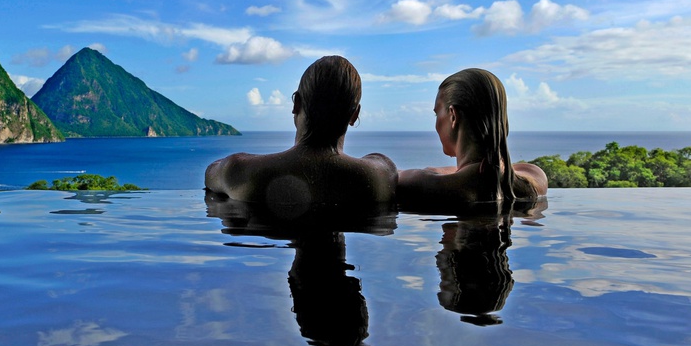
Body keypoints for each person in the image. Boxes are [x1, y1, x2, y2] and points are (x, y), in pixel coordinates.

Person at [205, 56, 396, 205]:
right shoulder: (379, 176)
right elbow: (382, 164)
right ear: (354, 115)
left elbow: (212, 173)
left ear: (297, 104)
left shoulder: (238, 171)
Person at [398, 68, 547, 206]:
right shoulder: (534, 181)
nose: (436, 123)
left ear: (453, 116)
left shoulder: (429, 184)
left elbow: (388, 174)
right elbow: (501, 169)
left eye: (437, 114)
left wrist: (432, 171)